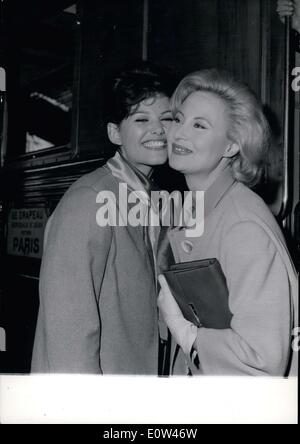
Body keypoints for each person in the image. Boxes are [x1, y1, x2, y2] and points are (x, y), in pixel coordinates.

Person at [31, 62, 176, 374]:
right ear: (115, 133)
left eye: (167, 118)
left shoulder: (153, 196)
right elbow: (67, 330)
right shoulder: (90, 198)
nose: (158, 129)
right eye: (141, 119)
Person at [158, 69, 298, 376]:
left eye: (200, 126)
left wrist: (185, 331)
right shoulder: (201, 209)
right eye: (179, 119)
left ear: (231, 146)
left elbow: (261, 357)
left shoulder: (242, 226)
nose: (179, 134)